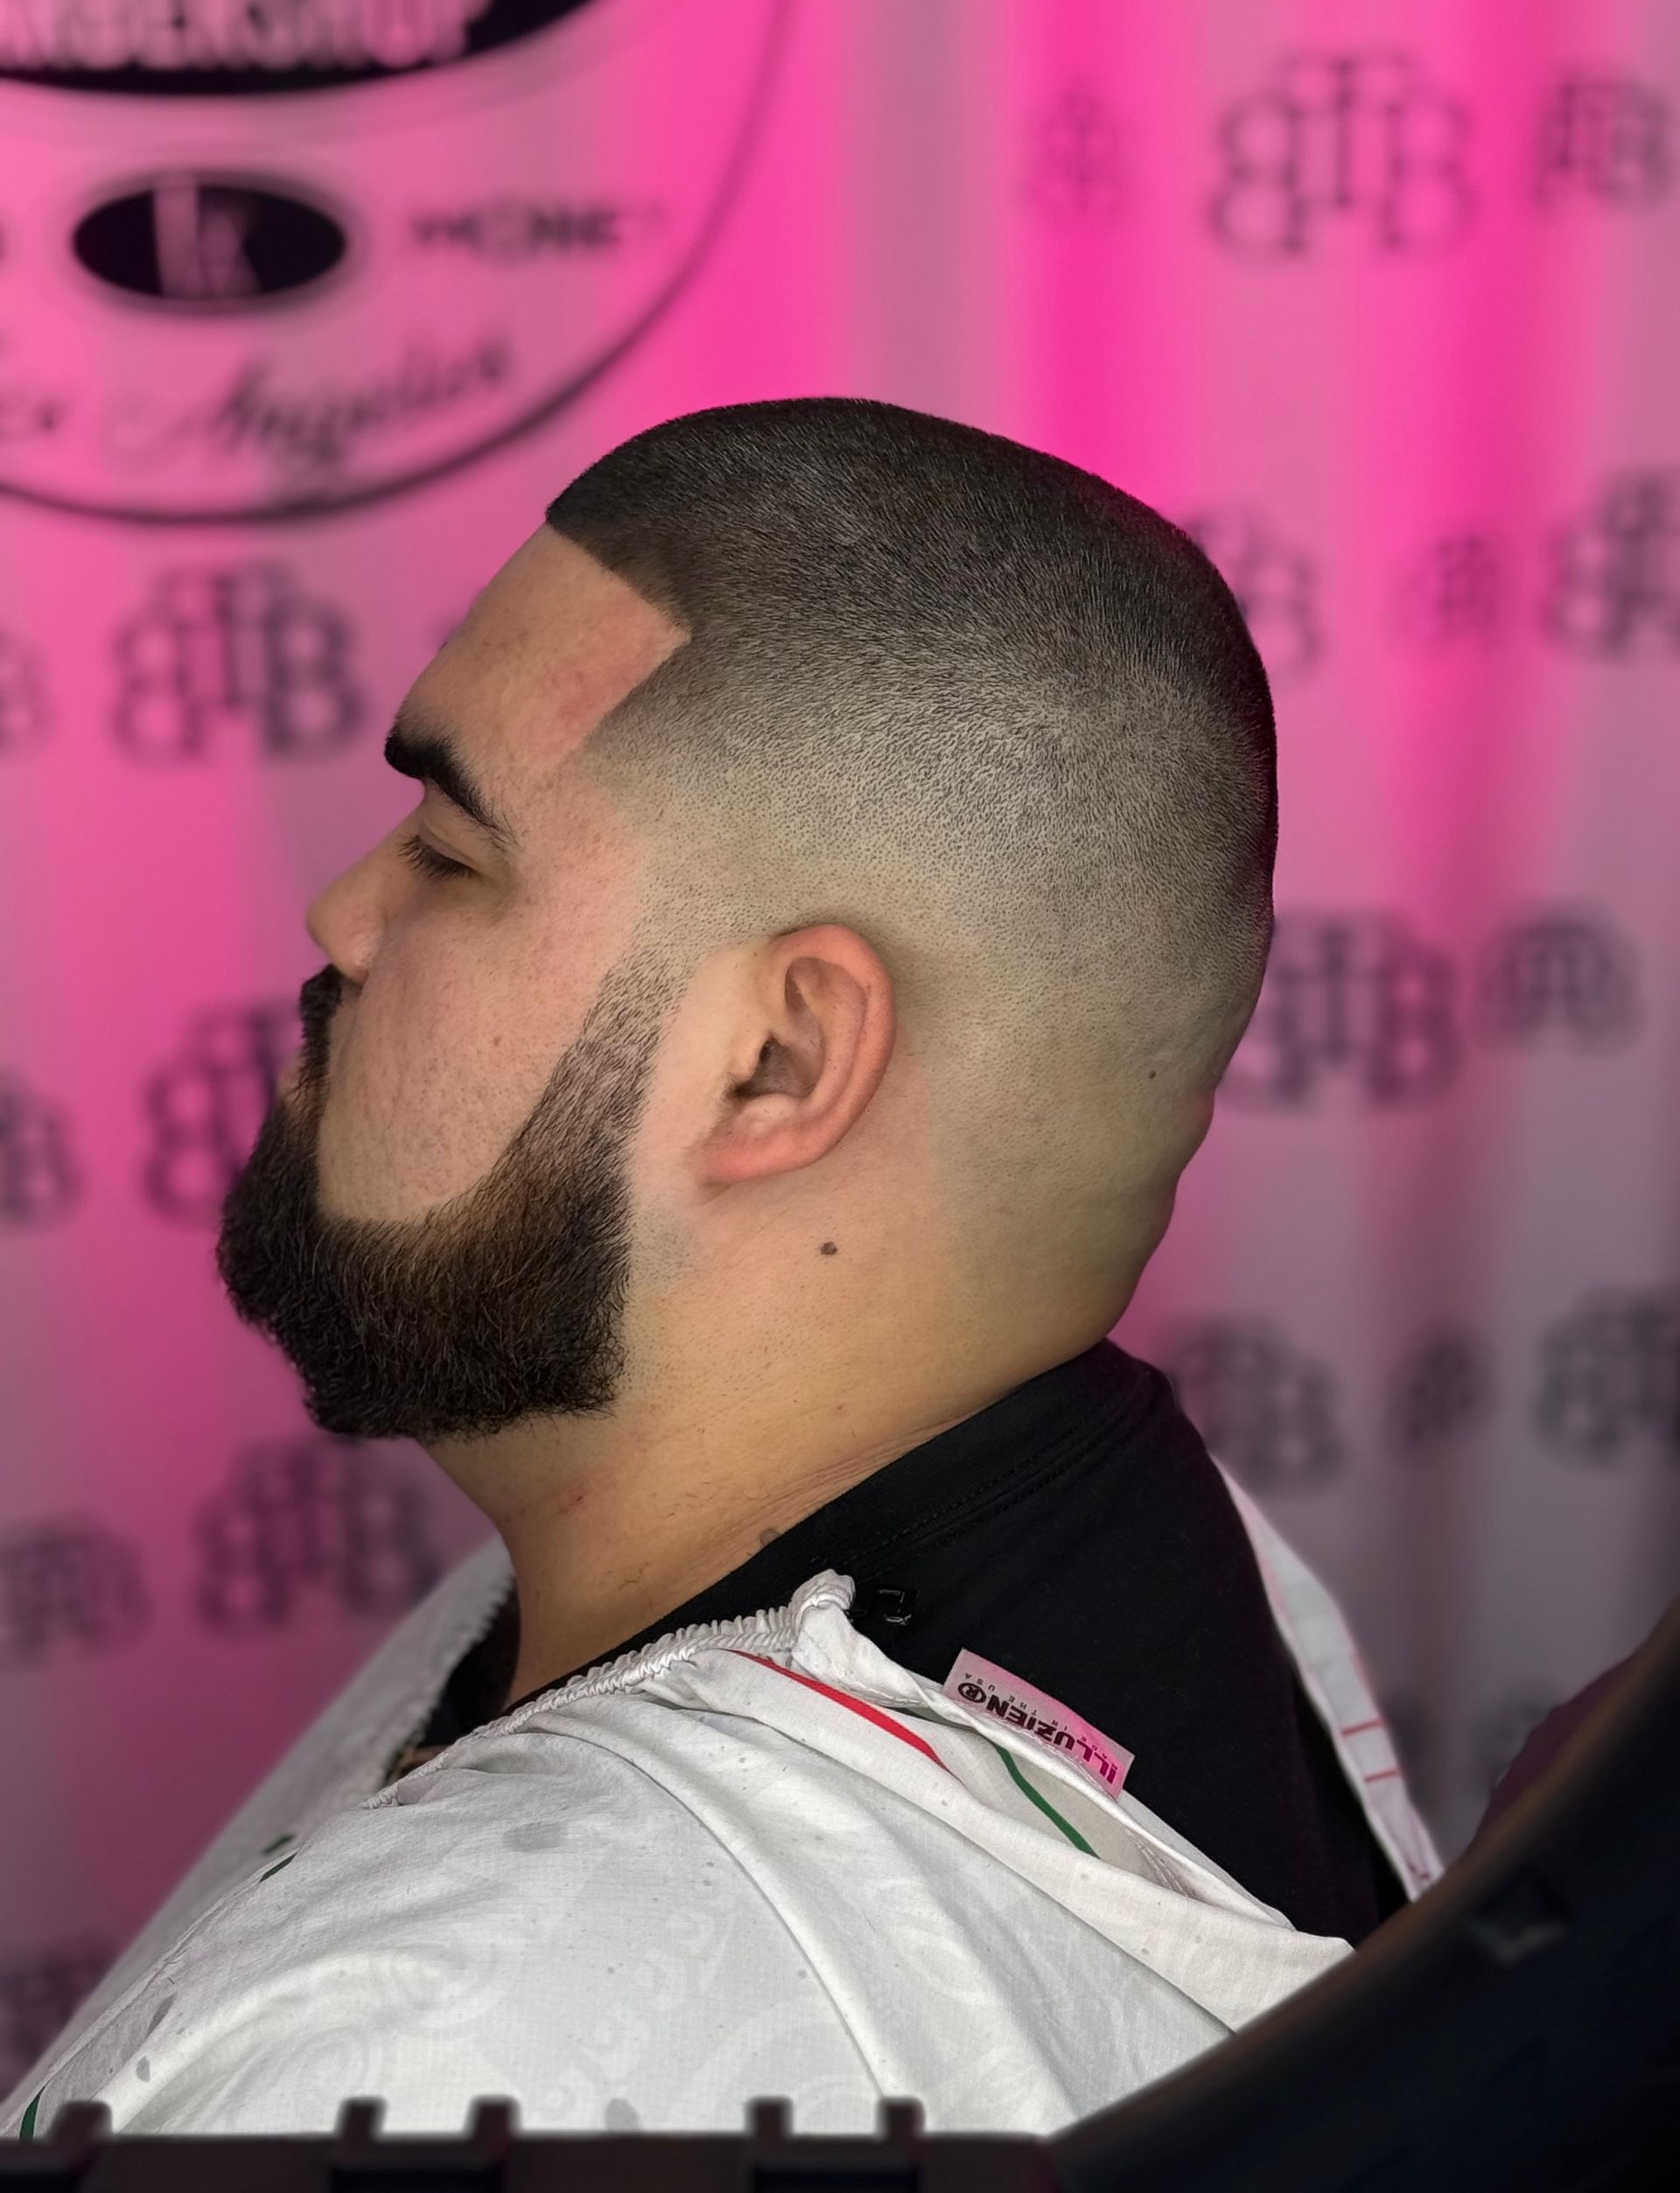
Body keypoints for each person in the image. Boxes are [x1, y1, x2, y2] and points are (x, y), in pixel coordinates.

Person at [3, 400, 1440, 2144]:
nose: (342, 917)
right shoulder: (1179, 1580)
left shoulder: (445, 2061)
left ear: (777, 1062)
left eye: (451, 855)